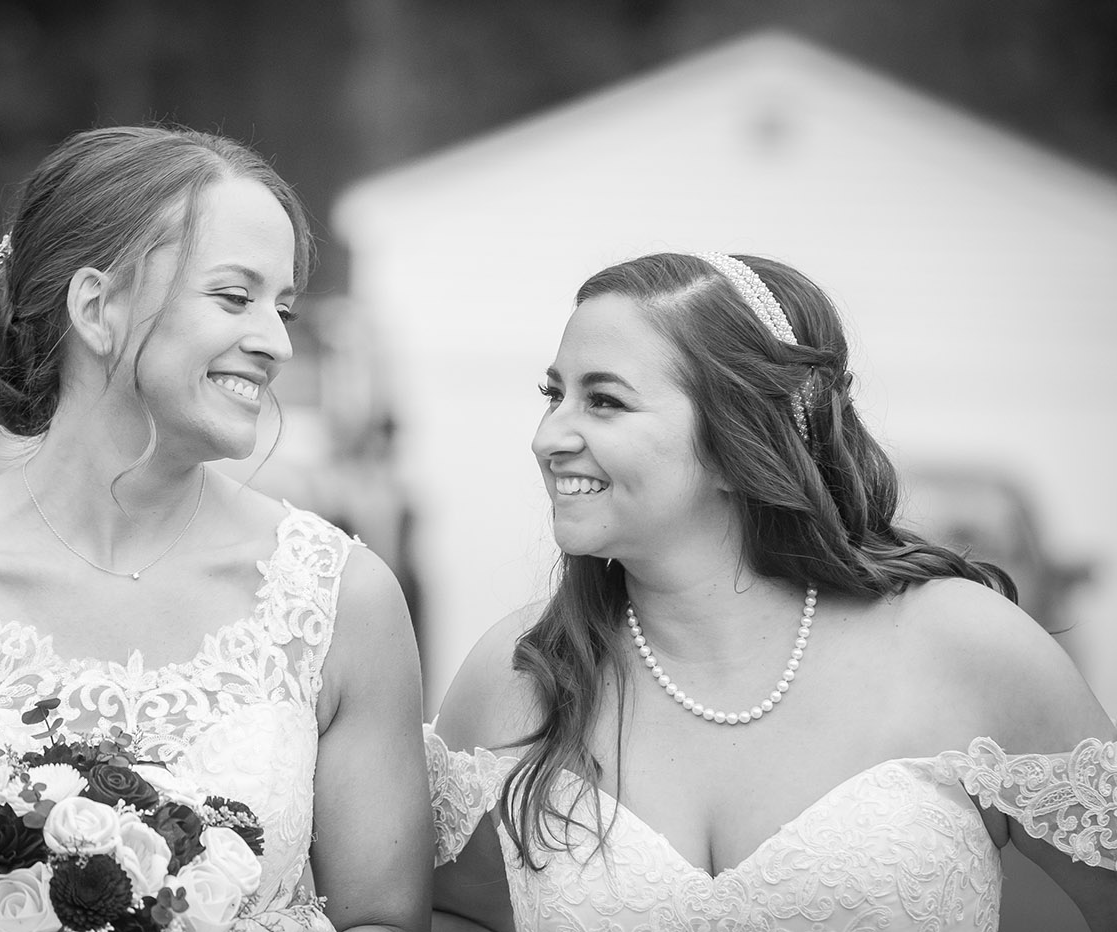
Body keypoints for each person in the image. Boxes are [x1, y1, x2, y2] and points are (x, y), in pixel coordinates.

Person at [0, 126, 431, 931]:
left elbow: (383, 916)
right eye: (235, 297)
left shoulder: (342, 601)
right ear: (97, 307)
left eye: (284, 306)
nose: (278, 343)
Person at [426, 252, 1117, 930]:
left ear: (740, 439)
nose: (548, 437)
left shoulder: (966, 648)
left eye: (604, 401)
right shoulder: (518, 673)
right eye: (554, 395)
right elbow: (448, 911)